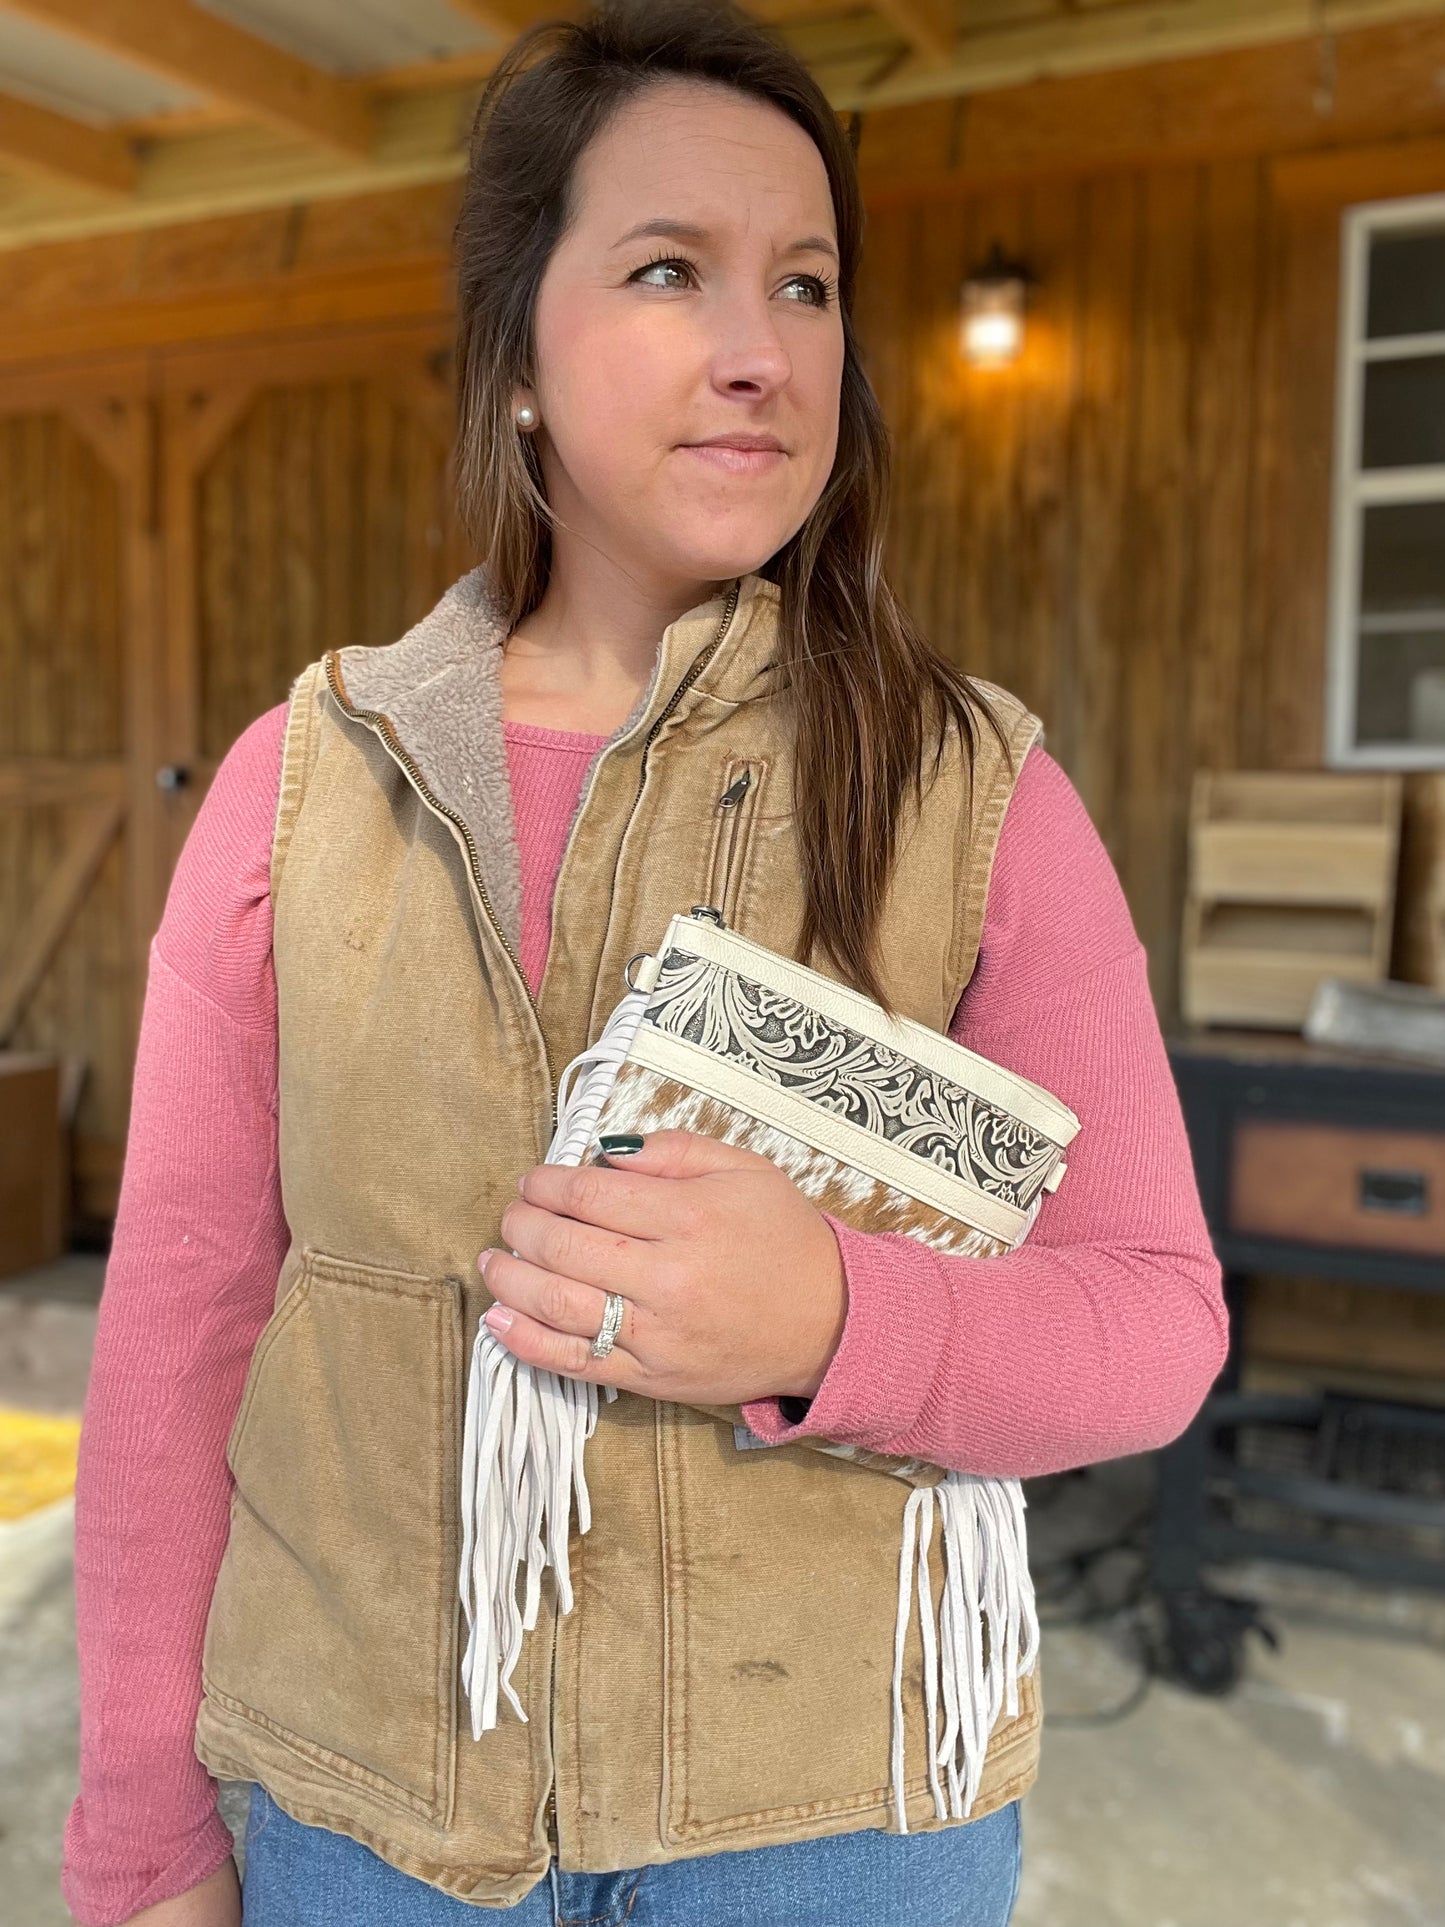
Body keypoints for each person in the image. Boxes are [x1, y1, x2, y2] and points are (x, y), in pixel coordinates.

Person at [61, 2, 1226, 1922]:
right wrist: (136, 1839)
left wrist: (833, 1322)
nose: (760, 351)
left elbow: (1154, 1318)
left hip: (834, 1829)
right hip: (360, 1819)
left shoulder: (969, 790)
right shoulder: (301, 789)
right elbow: (180, 1329)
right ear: (518, 354)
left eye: (807, 284)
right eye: (668, 271)